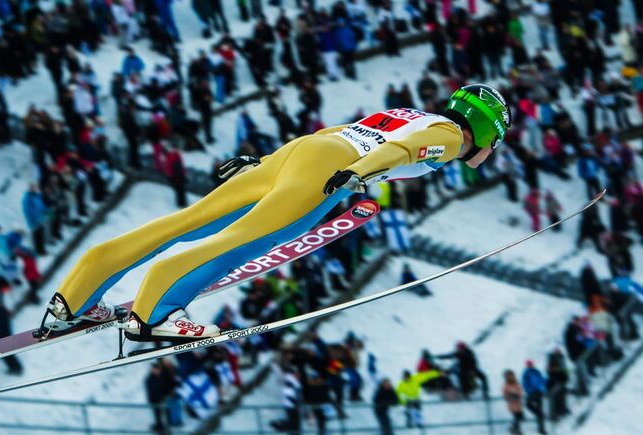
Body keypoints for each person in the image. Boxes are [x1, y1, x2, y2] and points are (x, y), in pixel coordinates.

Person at [38, 84, 511, 342]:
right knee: (244, 240)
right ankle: (153, 312)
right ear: (487, 132)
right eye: (496, 142)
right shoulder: (449, 139)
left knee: (183, 223)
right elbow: (406, 152)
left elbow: (340, 129)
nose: (491, 152)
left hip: (305, 151)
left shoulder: (411, 110)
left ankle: (74, 297)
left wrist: (265, 163)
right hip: (329, 169)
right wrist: (360, 174)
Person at [522, 360, 547, 434]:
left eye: (530, 364)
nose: (530, 365)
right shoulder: (526, 373)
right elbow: (525, 383)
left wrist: (543, 388)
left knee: (538, 408)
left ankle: (541, 428)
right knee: (529, 405)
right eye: (529, 364)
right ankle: (539, 415)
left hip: (538, 392)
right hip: (532, 393)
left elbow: (542, 380)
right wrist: (529, 391)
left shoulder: (536, 371)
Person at [502, 369, 525, 435]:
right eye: (509, 376)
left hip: (518, 404)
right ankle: (516, 429)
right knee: (516, 416)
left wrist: (517, 395)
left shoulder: (516, 383)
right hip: (512, 404)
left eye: (511, 376)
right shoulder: (506, 385)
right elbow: (505, 394)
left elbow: (520, 391)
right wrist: (509, 396)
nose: (511, 377)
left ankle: (513, 427)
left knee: (519, 416)